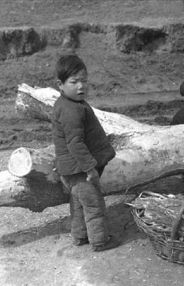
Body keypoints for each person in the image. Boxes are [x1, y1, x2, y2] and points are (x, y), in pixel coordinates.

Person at [52, 54, 120, 252]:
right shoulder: (70, 110)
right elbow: (75, 143)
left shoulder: (70, 103)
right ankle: (100, 241)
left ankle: (80, 235)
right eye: (74, 82)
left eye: (84, 81)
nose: (81, 86)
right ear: (60, 84)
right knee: (93, 205)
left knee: (78, 204)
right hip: (80, 170)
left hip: (71, 170)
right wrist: (90, 168)